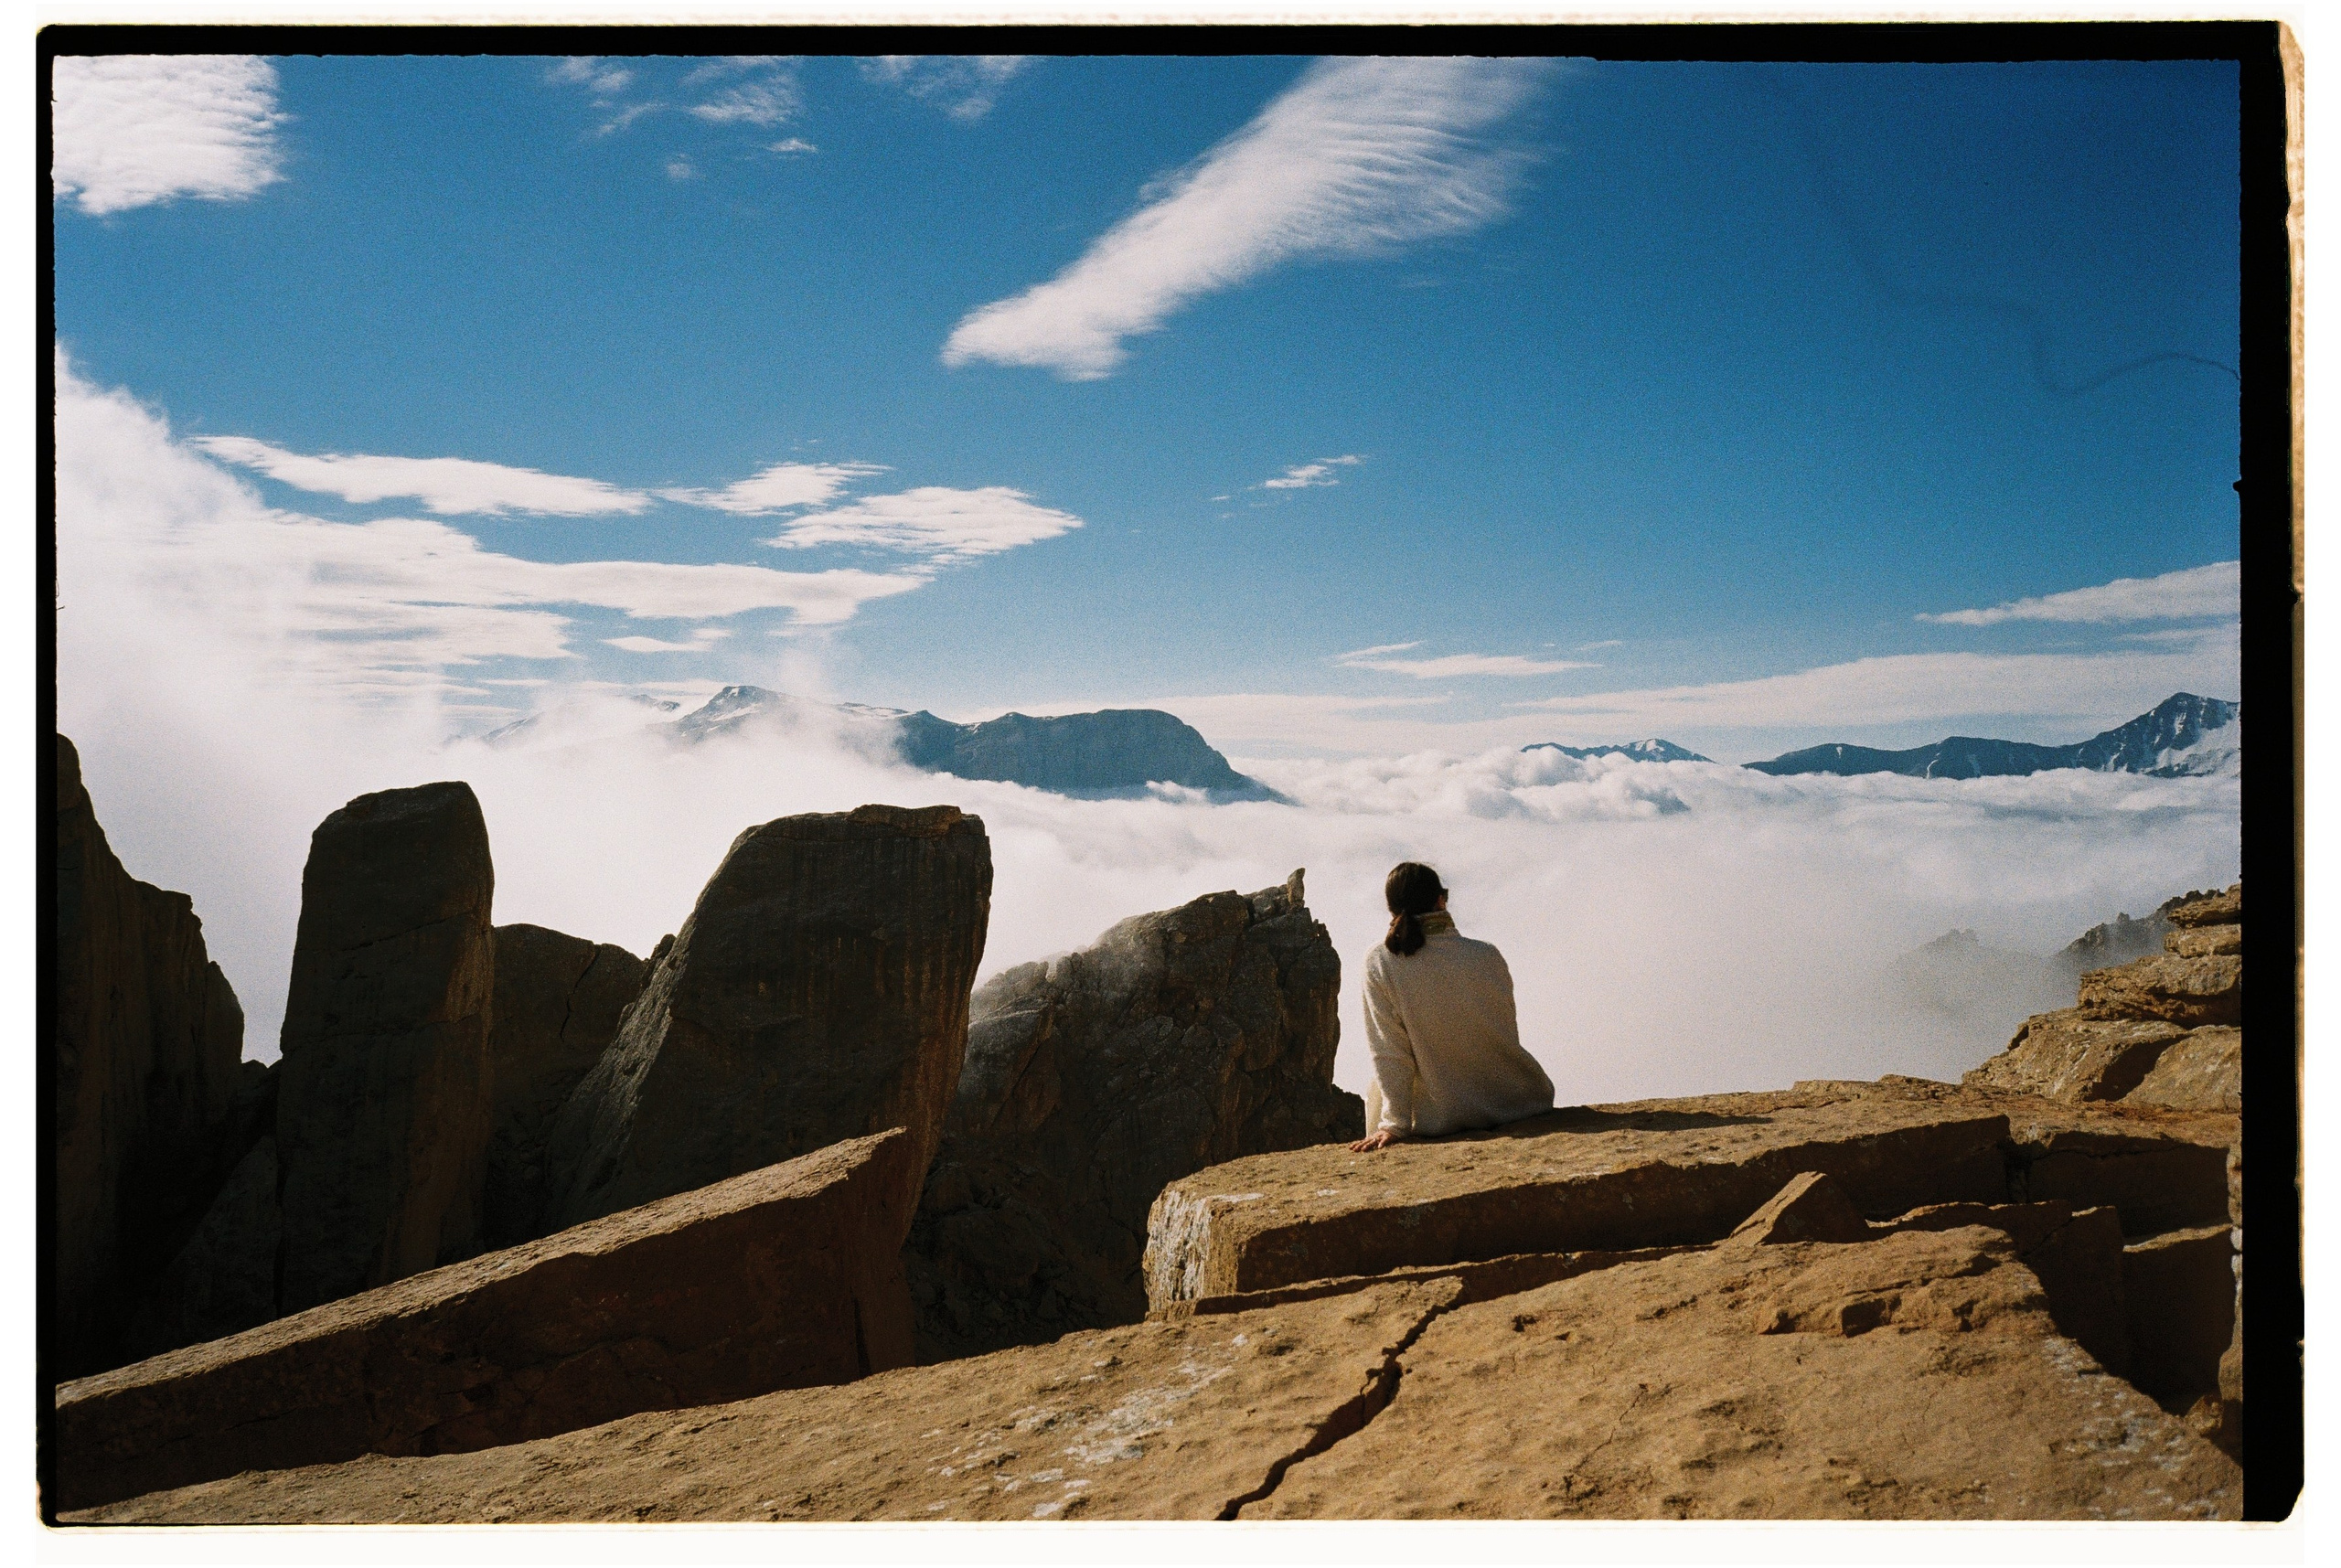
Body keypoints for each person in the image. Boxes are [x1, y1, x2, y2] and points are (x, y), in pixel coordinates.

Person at [1350, 861, 1555, 1152]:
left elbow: (1389, 1052)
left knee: (1375, 1091)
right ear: (1441, 900)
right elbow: (1502, 1033)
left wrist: (1394, 1124)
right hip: (1515, 1100)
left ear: (1391, 909)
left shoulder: (1381, 962)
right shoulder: (1488, 955)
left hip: (1439, 1115)